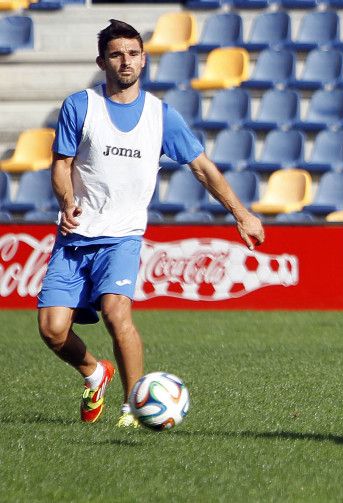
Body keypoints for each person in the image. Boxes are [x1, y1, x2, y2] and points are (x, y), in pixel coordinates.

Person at [38, 20, 264, 427]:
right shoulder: (81, 106)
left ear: (143, 59)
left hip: (122, 237)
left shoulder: (162, 116)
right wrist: (68, 200)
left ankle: (131, 407)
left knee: (115, 313)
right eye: (116, 54)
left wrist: (241, 213)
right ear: (102, 61)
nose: (126, 61)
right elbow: (61, 166)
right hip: (75, 235)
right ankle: (94, 372)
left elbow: (202, 168)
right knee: (53, 331)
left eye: (133, 53)